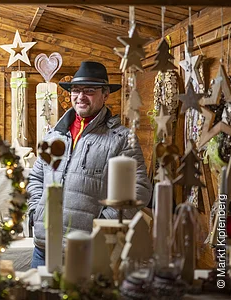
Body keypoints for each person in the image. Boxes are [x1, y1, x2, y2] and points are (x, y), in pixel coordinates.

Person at [27, 61, 152, 268]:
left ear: (105, 95)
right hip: (44, 246)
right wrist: (35, 211)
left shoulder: (121, 139)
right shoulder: (54, 135)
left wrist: (104, 225)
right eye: (76, 90)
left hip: (89, 248)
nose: (81, 96)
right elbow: (36, 178)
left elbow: (139, 189)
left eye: (90, 90)